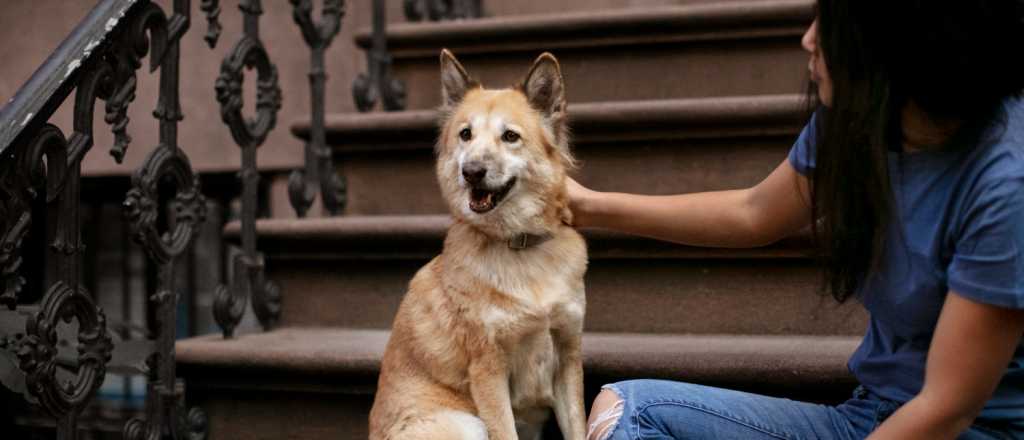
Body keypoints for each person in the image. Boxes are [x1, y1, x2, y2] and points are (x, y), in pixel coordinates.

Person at [571, 1, 1024, 439]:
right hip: (869, 414)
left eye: (828, 25)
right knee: (631, 413)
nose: (808, 40)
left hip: (969, 431)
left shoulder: (1006, 183)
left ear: (892, 42)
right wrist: (587, 205)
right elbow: (754, 214)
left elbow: (946, 410)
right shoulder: (860, 122)